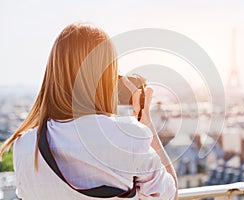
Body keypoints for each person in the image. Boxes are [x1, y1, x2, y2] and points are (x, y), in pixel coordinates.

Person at [0, 23, 178, 199]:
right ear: (107, 78)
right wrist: (146, 123)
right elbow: (170, 194)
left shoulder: (24, 146)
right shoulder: (129, 136)